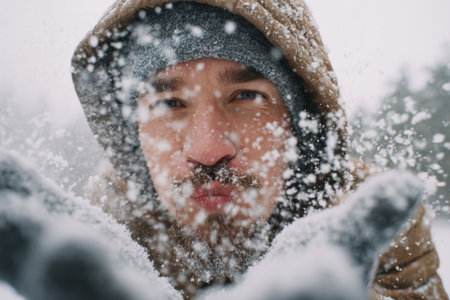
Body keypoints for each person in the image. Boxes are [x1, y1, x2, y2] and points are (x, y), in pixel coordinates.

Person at [71, 1, 448, 299]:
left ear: (300, 126)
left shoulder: (376, 221)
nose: (207, 150)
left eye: (247, 96)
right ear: (134, 134)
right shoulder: (106, 228)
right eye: (169, 104)